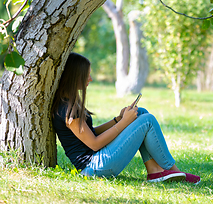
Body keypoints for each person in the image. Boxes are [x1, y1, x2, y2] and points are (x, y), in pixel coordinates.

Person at [52, 53, 200, 184]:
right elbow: (95, 144)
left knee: (140, 113)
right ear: (74, 77)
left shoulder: (70, 103)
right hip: (94, 167)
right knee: (147, 120)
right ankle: (174, 171)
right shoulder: (67, 110)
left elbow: (91, 133)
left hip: (98, 162)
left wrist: (118, 119)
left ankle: (154, 171)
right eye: (86, 75)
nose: (90, 78)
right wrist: (124, 122)